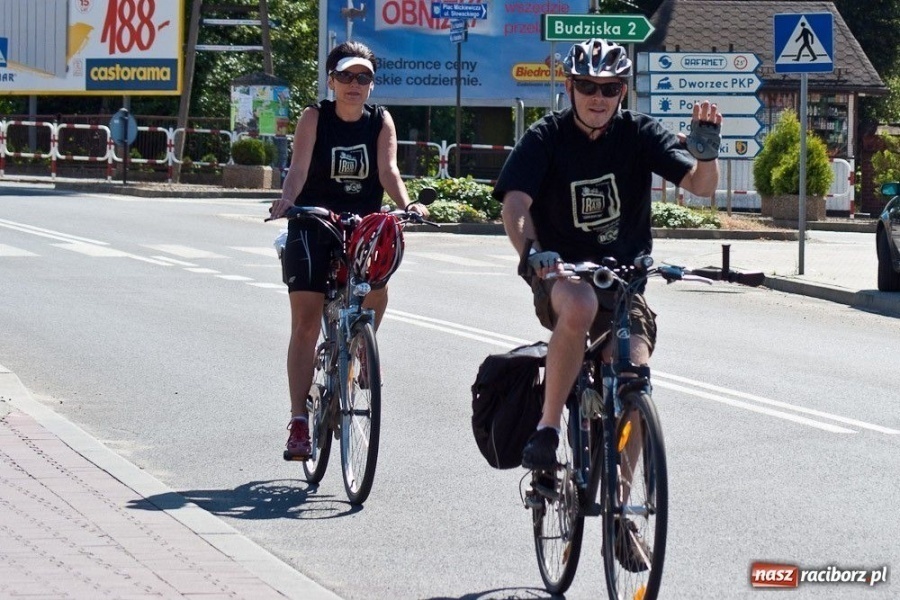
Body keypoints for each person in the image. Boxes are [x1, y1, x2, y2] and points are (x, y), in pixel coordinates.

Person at [493, 38, 723, 469]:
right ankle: (548, 429)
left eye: (610, 88)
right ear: (569, 86)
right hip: (559, 271)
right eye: (587, 86)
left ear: (623, 91)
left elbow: (700, 186)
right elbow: (515, 204)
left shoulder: (639, 133)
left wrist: (706, 156)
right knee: (579, 304)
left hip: (623, 279)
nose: (598, 97)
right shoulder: (546, 137)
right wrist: (533, 251)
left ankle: (625, 501)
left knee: (634, 372)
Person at [269, 40, 427, 460]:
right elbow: (298, 169)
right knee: (305, 322)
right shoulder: (314, 117)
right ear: (331, 80)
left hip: (362, 225)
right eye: (346, 76)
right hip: (313, 220)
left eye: (363, 77)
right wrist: (287, 200)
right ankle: (298, 421)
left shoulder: (380, 121)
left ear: (372, 84)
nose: (354, 84)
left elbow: (388, 170)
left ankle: (360, 345)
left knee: (380, 282)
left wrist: (408, 205)